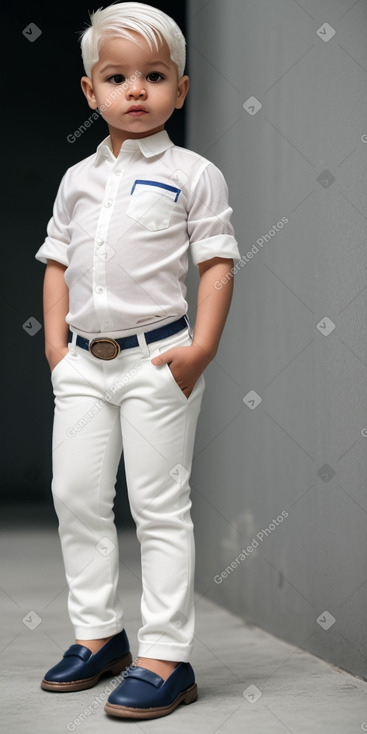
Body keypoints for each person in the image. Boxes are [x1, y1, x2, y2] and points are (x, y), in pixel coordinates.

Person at [35, 0, 241, 720]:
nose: (136, 91)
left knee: (157, 508)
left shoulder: (194, 173)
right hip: (85, 367)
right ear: (91, 91)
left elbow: (217, 262)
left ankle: (164, 655)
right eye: (117, 77)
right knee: (76, 496)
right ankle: (98, 636)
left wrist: (200, 350)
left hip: (159, 361)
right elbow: (56, 264)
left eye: (154, 75)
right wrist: (58, 350)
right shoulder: (76, 180)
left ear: (180, 88)